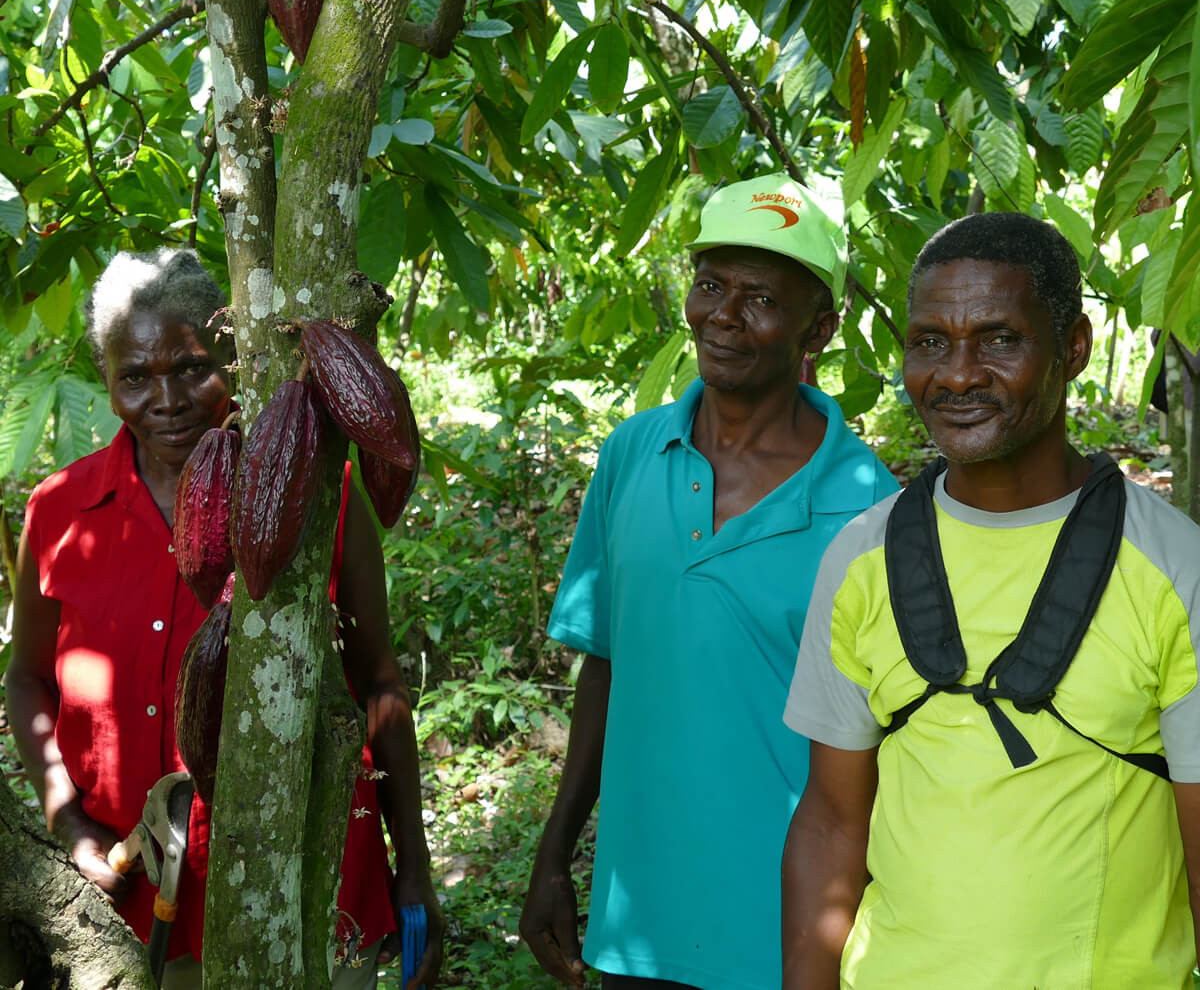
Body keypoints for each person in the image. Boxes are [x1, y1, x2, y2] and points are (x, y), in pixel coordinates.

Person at [4, 247, 443, 989]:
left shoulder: (320, 496)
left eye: (192, 368)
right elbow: (26, 680)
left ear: (234, 363)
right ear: (105, 380)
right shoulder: (59, 512)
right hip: (134, 900)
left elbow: (379, 686)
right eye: (135, 377)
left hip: (309, 885)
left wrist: (415, 871)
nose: (167, 399)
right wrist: (66, 819)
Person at [780, 212, 1200, 989]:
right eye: (930, 342)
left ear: (1073, 348)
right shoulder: (863, 560)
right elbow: (833, 822)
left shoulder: (1173, 567)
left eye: (999, 339)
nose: (958, 375)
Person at [519, 172, 899, 990]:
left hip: (787, 939)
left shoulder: (869, 507)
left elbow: (884, 745)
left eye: (760, 298)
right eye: (710, 284)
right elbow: (607, 665)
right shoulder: (631, 454)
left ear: (819, 328)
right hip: (637, 927)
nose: (724, 315)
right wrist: (555, 854)